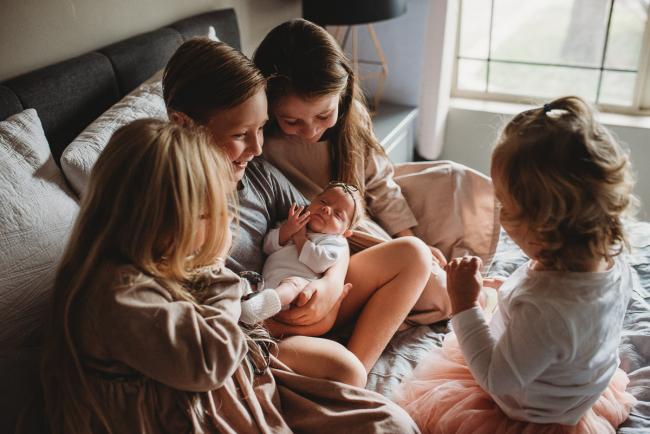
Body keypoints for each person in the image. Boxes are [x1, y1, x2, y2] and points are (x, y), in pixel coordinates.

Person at [40, 119, 419, 433]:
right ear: (159, 221)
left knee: (389, 420)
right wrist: (219, 267)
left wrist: (329, 277)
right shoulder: (119, 294)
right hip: (212, 400)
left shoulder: (162, 258)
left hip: (248, 368)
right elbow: (213, 356)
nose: (222, 220)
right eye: (209, 213)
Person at [162, 37, 432, 376]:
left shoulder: (259, 176)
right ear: (185, 124)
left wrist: (331, 283)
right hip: (266, 324)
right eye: (240, 134)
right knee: (345, 369)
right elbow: (202, 314)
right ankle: (354, 379)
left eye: (260, 129)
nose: (258, 147)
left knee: (415, 254)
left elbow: (325, 228)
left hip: (311, 290)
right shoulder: (177, 205)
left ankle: (355, 369)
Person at [394, 96, 639, 433]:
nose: (500, 216)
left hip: (527, 409)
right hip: (574, 388)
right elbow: (575, 327)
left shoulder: (547, 309)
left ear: (545, 222)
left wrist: (464, 304)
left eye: (505, 206)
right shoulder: (610, 259)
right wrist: (507, 291)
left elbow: (497, 378)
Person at [253, 19, 500, 327]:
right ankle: (455, 293)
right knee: (437, 290)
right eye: (293, 122)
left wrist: (412, 238)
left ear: (341, 97)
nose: (311, 130)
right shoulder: (262, 139)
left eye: (323, 115)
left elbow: (380, 185)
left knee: (458, 184)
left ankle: (439, 270)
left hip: (357, 212)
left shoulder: (351, 118)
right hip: (330, 237)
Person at [262, 182, 363, 333]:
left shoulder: (335, 242)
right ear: (312, 201)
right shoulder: (293, 224)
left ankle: (262, 307)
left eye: (337, 214)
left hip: (299, 293)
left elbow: (320, 263)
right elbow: (267, 247)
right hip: (267, 284)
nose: (326, 209)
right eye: (323, 202)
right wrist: (286, 231)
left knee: (293, 284)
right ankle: (256, 308)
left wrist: (300, 239)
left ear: (345, 232)